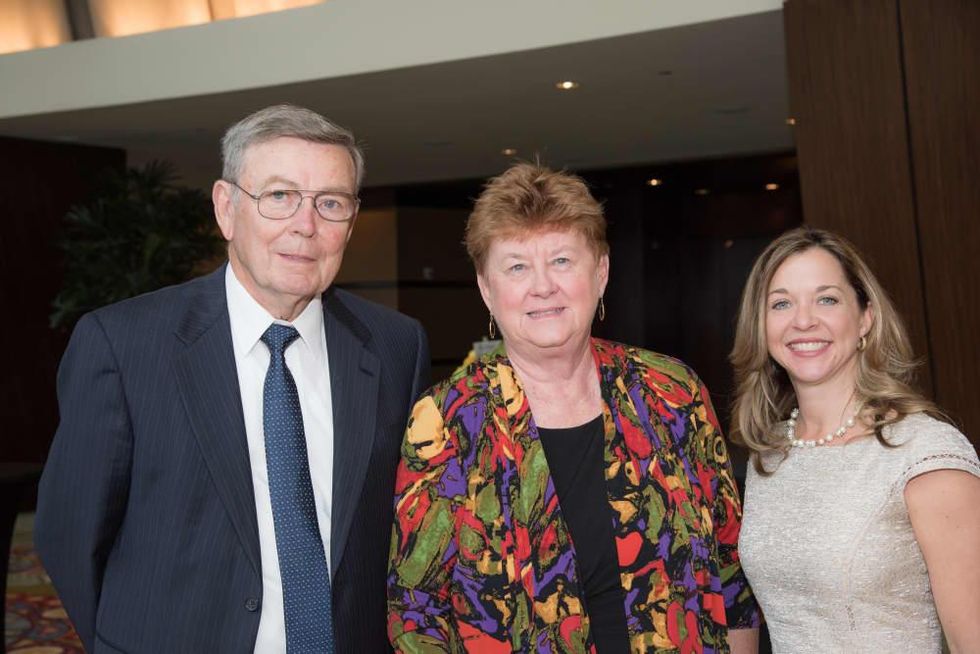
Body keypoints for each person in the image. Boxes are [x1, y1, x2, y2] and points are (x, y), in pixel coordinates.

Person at [35, 104, 430, 653]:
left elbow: (401, 531)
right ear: (226, 208)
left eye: (330, 203)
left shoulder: (395, 345)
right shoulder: (123, 344)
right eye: (279, 196)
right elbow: (69, 535)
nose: (305, 225)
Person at [386, 163, 760, 652]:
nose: (543, 286)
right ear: (486, 289)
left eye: (562, 260)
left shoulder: (672, 391)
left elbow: (731, 570)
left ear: (600, 272)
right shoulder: (448, 419)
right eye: (517, 266)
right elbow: (416, 613)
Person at [731, 227, 980, 653]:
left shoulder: (926, 455)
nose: (803, 320)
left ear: (865, 317)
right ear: (762, 325)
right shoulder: (768, 457)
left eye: (827, 299)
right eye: (781, 303)